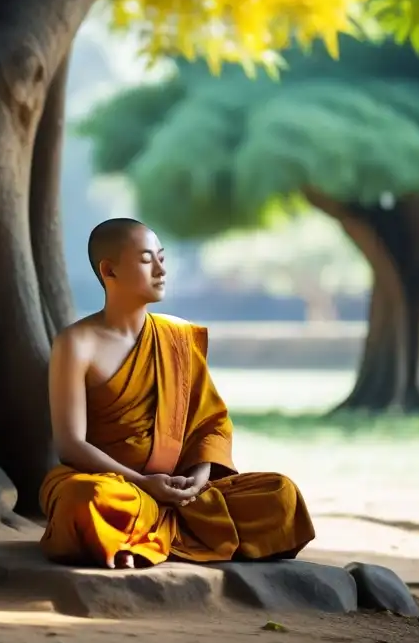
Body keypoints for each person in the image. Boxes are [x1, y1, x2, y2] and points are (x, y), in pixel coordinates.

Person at [39, 217, 316, 569]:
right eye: (145, 259)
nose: (160, 269)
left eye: (162, 258)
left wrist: (197, 483)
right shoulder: (76, 344)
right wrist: (143, 483)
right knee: (87, 498)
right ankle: (158, 532)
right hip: (115, 487)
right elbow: (70, 445)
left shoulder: (177, 337)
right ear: (109, 271)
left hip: (182, 493)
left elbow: (209, 426)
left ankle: (141, 538)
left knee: (281, 493)